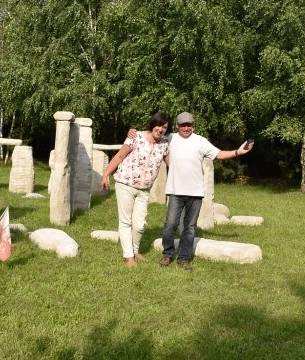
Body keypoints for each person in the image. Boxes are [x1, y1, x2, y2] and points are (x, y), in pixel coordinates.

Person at [130, 111, 254, 271]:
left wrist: (238, 152)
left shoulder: (200, 141)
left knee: (189, 227)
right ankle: (167, 254)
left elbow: (219, 154)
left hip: (195, 193)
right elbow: (151, 136)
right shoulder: (170, 138)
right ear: (177, 126)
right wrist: (133, 132)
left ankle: (183, 258)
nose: (186, 128)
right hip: (175, 191)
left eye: (189, 125)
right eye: (183, 125)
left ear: (193, 126)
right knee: (170, 224)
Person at [102, 112, 171, 268]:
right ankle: (129, 257)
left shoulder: (164, 143)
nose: (160, 129)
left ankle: (134, 250)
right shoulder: (136, 136)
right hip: (125, 184)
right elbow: (119, 156)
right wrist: (106, 174)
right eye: (159, 125)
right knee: (125, 222)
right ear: (153, 124)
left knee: (140, 224)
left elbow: (171, 165)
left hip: (145, 189)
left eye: (164, 127)